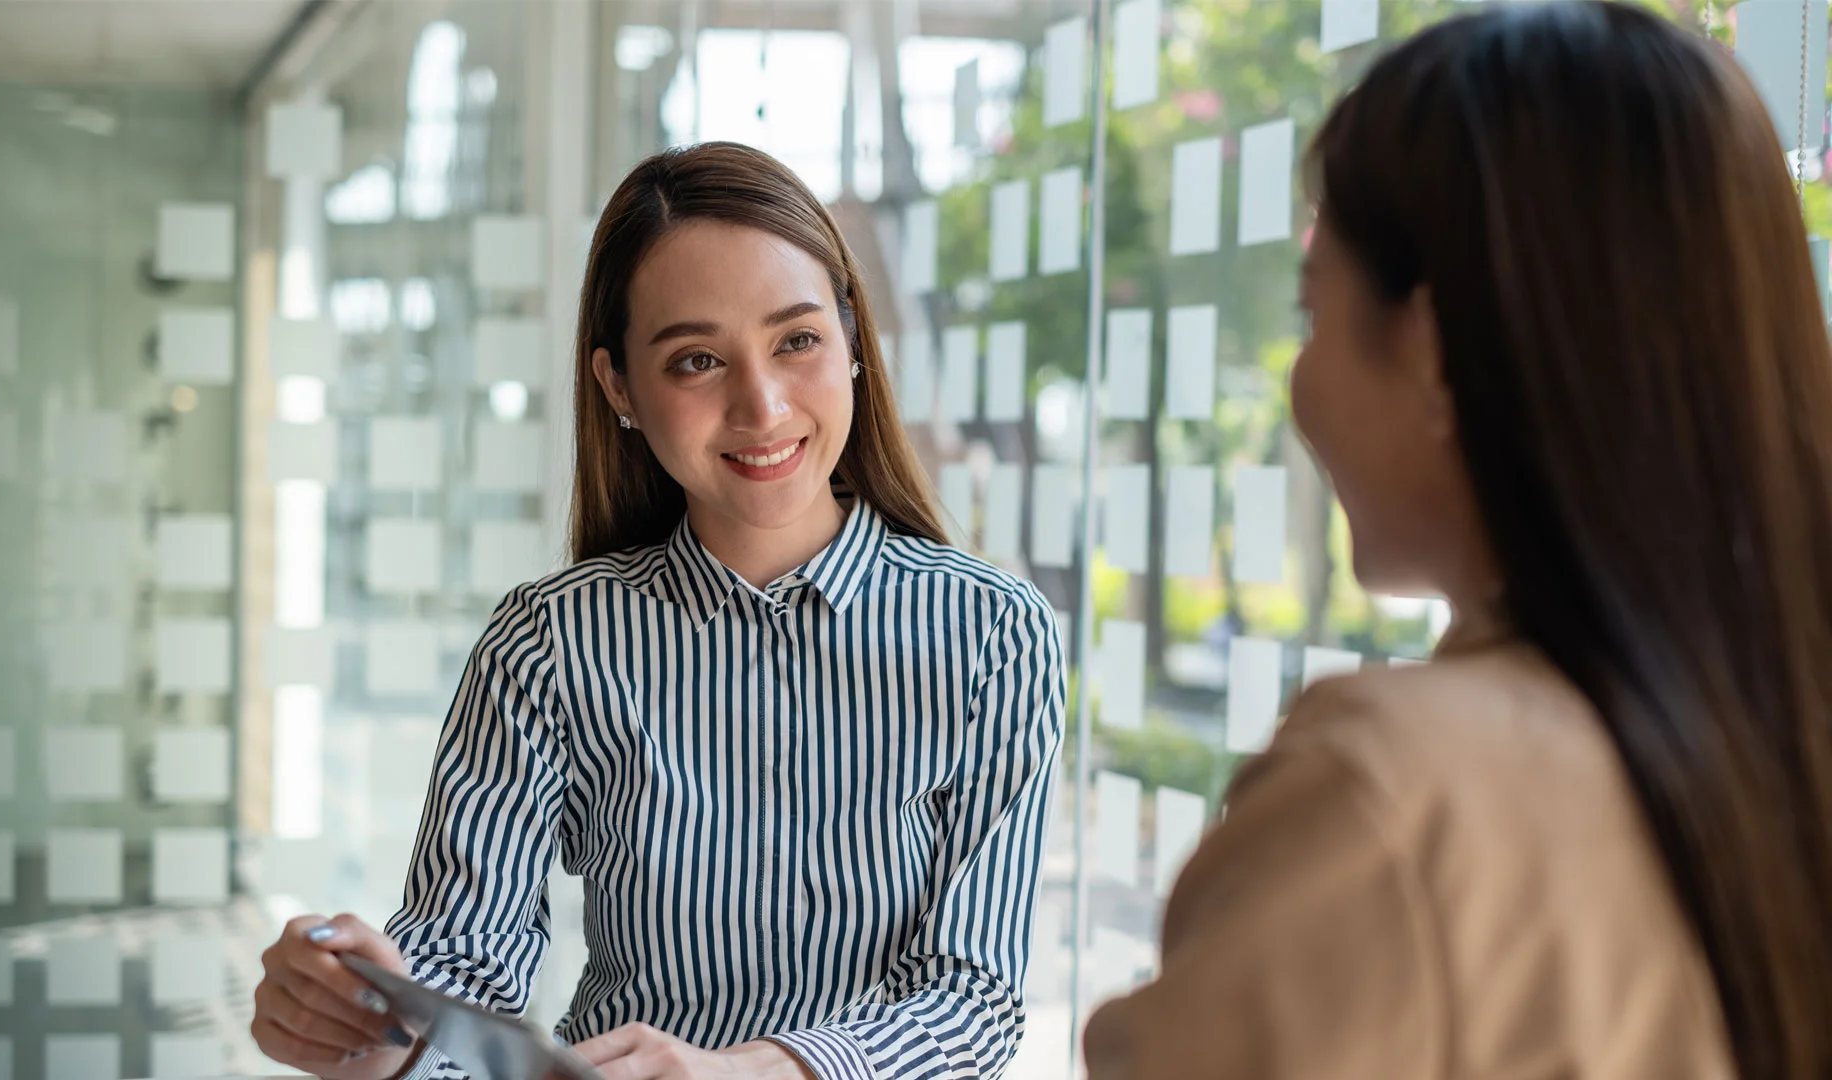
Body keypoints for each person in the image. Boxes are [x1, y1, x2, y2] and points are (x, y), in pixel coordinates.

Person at [1084, 3, 1832, 1078]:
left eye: (1313, 311)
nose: (1298, 383)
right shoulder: (1774, 733)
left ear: (1431, 348)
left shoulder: (1392, 794)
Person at [249, 141, 1066, 1080]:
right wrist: (366, 1021)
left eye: (797, 340)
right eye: (695, 361)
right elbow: (464, 964)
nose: (761, 407)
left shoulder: (993, 634)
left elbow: (972, 1002)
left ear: (851, 341)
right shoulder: (550, 644)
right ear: (620, 388)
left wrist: (748, 1072)